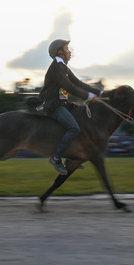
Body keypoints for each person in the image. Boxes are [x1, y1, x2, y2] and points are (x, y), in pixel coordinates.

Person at [39, 39, 102, 175]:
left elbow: (78, 83)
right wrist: (89, 97)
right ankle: (56, 158)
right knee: (74, 128)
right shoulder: (56, 67)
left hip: (64, 105)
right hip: (54, 106)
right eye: (67, 49)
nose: (70, 51)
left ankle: (70, 156)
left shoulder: (63, 67)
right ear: (59, 52)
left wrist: (100, 92)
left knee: (81, 123)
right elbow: (69, 87)